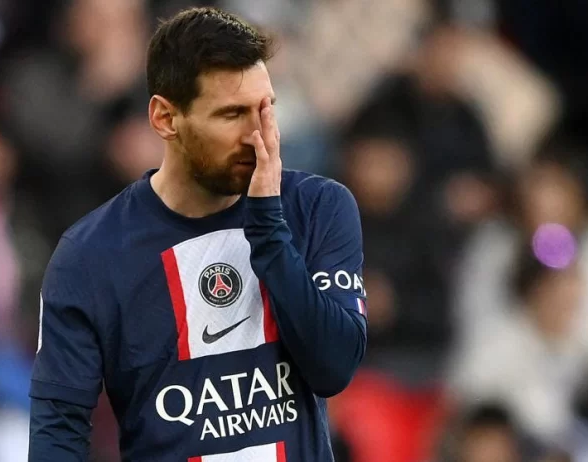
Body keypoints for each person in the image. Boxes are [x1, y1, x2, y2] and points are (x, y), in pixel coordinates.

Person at [27, 7, 368, 461]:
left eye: (265, 109)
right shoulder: (90, 254)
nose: (258, 135)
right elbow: (59, 428)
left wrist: (268, 227)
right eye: (232, 114)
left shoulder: (316, 208)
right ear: (165, 119)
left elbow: (334, 368)